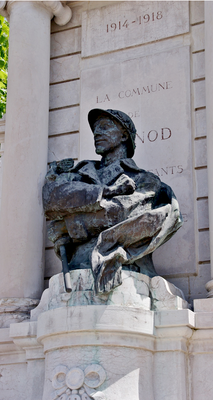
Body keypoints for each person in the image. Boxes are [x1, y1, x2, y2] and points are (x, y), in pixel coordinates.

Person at [43, 109, 183, 294]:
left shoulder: (145, 180)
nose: (97, 133)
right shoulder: (80, 173)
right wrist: (105, 193)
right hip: (76, 266)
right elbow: (52, 200)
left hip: (126, 272)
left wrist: (68, 225)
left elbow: (122, 212)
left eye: (105, 127)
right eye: (95, 129)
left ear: (124, 135)